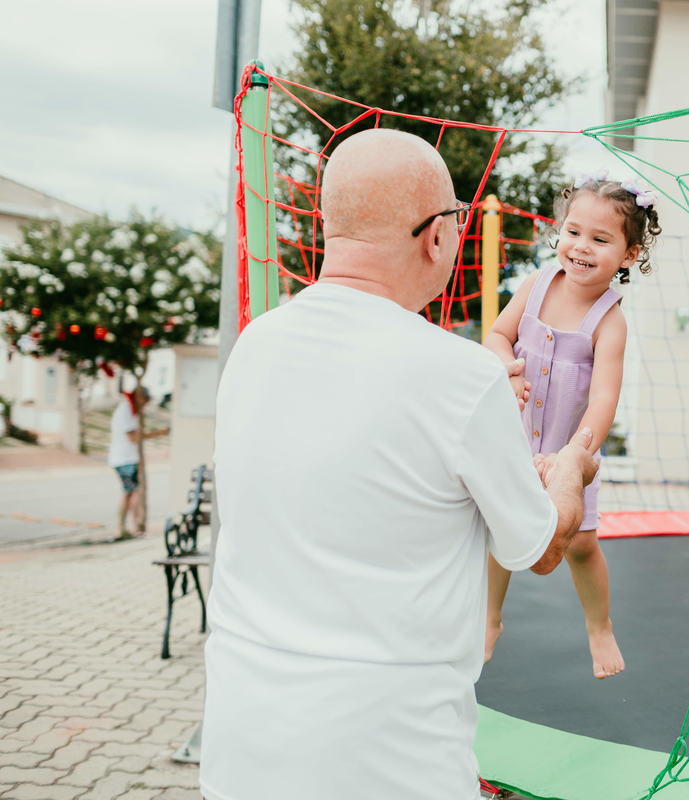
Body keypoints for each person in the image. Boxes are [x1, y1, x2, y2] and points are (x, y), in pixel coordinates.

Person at [199, 129, 598, 800]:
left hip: (243, 750)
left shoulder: (254, 345)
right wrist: (567, 475)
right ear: (436, 237)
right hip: (385, 762)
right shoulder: (463, 376)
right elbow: (543, 547)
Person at [483, 171, 661, 679]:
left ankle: (599, 626)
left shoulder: (610, 321)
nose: (581, 247)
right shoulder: (538, 285)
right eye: (574, 232)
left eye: (600, 240)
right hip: (513, 442)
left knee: (581, 544)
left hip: (569, 452)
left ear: (627, 255)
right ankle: (490, 618)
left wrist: (574, 456)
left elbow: (604, 398)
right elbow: (498, 335)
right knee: (501, 530)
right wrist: (506, 366)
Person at [108, 385, 166, 538]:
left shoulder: (129, 409)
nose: (145, 405)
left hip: (122, 458)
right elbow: (133, 438)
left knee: (128, 493)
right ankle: (137, 527)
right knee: (135, 492)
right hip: (126, 459)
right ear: (140, 397)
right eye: (144, 401)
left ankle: (122, 527)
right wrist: (157, 433)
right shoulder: (126, 410)